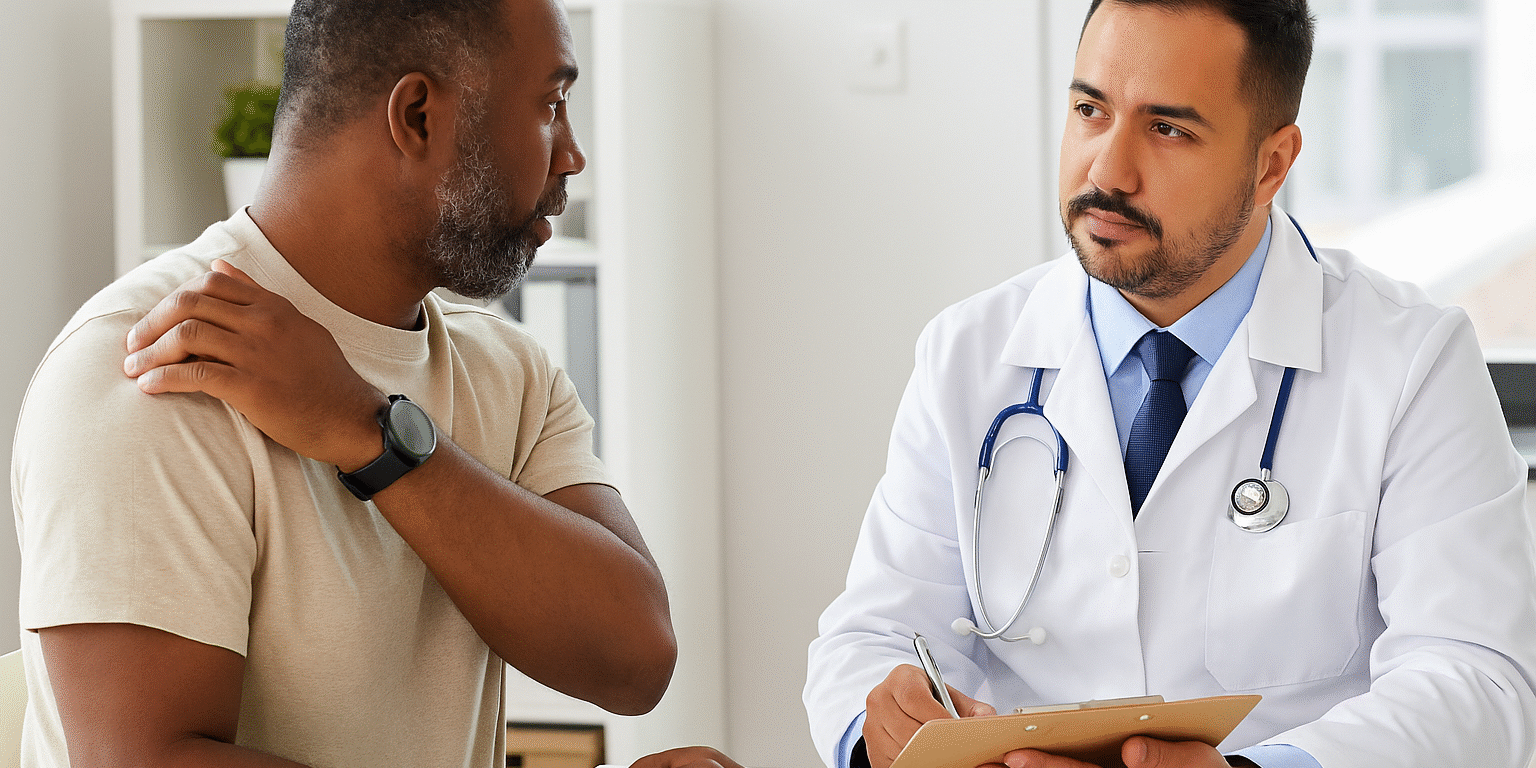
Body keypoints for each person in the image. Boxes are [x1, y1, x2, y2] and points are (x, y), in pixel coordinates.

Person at [804, 1, 1536, 767]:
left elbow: (1479, 682)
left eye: (1168, 129)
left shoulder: (1412, 361)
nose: (1107, 171)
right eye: (1091, 109)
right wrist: (876, 731)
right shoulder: (967, 354)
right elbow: (874, 633)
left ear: (1271, 165)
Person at [11, 0, 677, 765]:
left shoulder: (510, 370)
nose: (572, 156)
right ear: (418, 115)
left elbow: (636, 660)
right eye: (551, 107)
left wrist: (371, 430)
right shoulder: (154, 365)